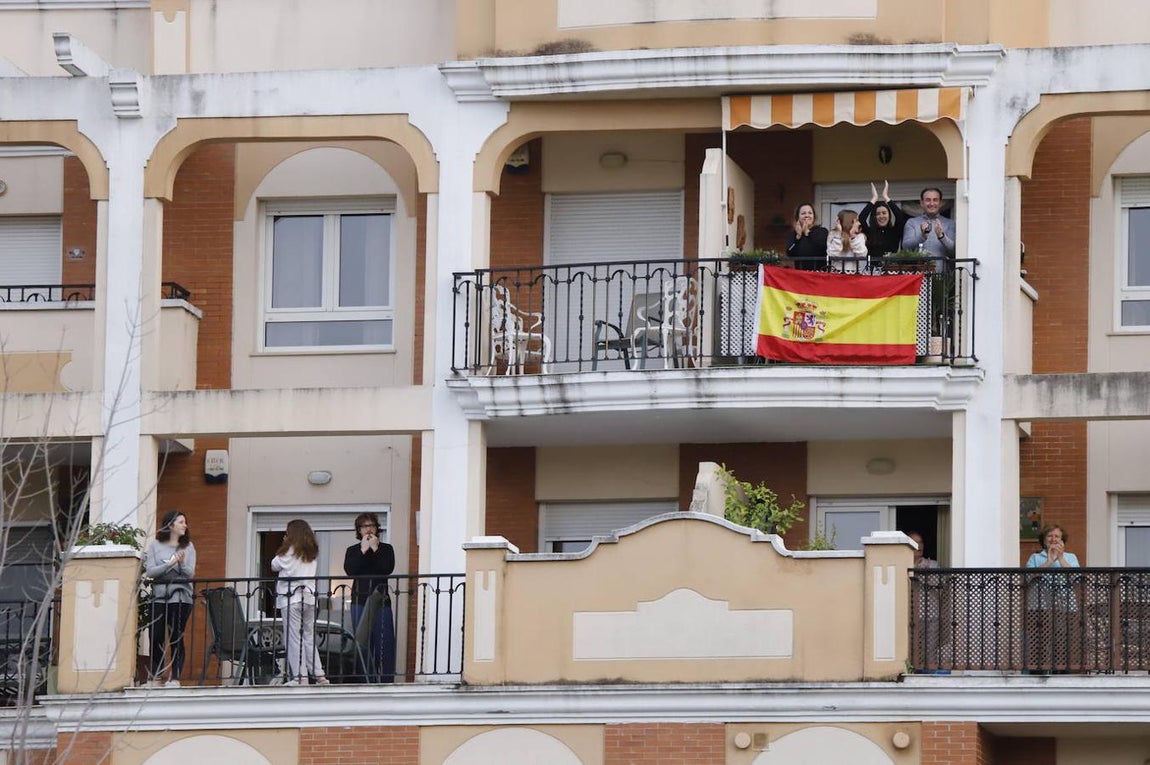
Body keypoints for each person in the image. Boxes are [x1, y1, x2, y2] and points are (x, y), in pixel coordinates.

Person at [272, 519, 329, 686]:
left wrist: (284, 545)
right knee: (308, 636)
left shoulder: (288, 551)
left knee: (294, 638)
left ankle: (300, 677)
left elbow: (273, 565)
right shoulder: (311, 551)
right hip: (309, 598)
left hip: (291, 598)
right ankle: (320, 676)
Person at [143, 510, 196, 687]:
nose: (185, 525)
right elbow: (150, 572)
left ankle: (175, 677)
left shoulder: (188, 547)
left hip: (181, 597)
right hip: (159, 597)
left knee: (176, 636)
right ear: (171, 525)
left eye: (185, 522)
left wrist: (180, 564)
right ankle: (157, 677)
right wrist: (169, 564)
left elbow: (190, 574)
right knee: (156, 635)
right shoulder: (155, 546)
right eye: (181, 522)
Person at [343, 512, 396, 682]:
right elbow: (351, 570)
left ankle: (386, 681)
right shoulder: (352, 550)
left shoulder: (386, 549)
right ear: (359, 530)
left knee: (384, 642)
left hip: (381, 601)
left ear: (377, 528)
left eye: (371, 525)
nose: (368, 530)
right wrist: (363, 550)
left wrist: (375, 549)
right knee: (362, 644)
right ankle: (364, 680)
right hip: (359, 600)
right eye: (365, 526)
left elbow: (386, 568)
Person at [1024, 524, 1081, 673]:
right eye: (1050, 536)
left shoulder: (1071, 557)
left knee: (1063, 638)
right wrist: (1049, 561)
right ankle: (1037, 671)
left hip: (1065, 605)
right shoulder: (1035, 558)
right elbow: (1027, 578)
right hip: (1039, 605)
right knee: (1039, 639)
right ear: (1044, 540)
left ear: (1063, 540)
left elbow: (1077, 578)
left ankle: (1062, 671)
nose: (1053, 539)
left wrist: (1060, 558)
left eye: (1057, 536)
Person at [900, 187, 956, 258]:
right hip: (918, 268)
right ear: (921, 203)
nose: (931, 203)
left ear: (940, 203)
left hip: (943, 269)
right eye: (928, 200)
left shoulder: (950, 223)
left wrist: (941, 236)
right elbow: (905, 247)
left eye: (935, 200)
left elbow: (954, 251)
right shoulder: (912, 222)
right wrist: (922, 236)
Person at [860, 181, 909, 260]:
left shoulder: (894, 231)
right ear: (874, 216)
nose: (881, 216)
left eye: (884, 213)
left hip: (891, 269)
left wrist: (886, 197)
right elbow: (861, 218)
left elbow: (900, 216)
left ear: (889, 215)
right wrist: (874, 198)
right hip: (873, 270)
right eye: (878, 214)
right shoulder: (869, 232)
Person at [785, 202, 829, 271]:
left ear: (814, 217)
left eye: (810, 213)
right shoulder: (794, 234)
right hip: (801, 275)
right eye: (803, 213)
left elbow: (822, 248)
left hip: (819, 273)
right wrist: (798, 237)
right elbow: (789, 253)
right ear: (798, 217)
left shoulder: (822, 231)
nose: (807, 215)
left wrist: (807, 233)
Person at [826, 209, 867, 273]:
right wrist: (839, 235)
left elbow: (862, 254)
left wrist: (853, 237)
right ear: (850, 222)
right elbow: (832, 254)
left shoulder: (860, 236)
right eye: (857, 221)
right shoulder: (833, 234)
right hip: (837, 275)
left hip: (853, 275)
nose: (859, 223)